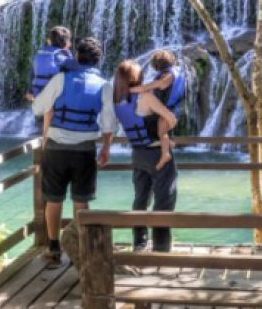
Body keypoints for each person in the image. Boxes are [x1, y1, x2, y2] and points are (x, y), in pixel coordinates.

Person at [32, 37, 114, 266]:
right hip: (85, 150)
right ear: (98, 60)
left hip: (56, 148)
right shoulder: (104, 85)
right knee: (81, 201)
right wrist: (106, 148)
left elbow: (38, 107)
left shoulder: (60, 79)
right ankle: (81, 246)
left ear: (77, 56)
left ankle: (53, 247)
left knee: (53, 199)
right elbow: (109, 123)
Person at [113, 59, 178, 252]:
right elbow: (171, 118)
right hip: (157, 153)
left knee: (140, 198)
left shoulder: (117, 100)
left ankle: (139, 243)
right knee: (164, 199)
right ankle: (161, 246)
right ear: (137, 77)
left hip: (138, 155)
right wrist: (165, 130)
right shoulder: (145, 98)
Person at [129, 50, 185, 171]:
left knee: (162, 132)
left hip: (168, 110)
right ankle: (167, 143)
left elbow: (160, 85)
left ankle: (165, 154)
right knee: (162, 131)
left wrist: (136, 89)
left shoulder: (168, 75)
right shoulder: (176, 71)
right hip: (171, 108)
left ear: (156, 66)